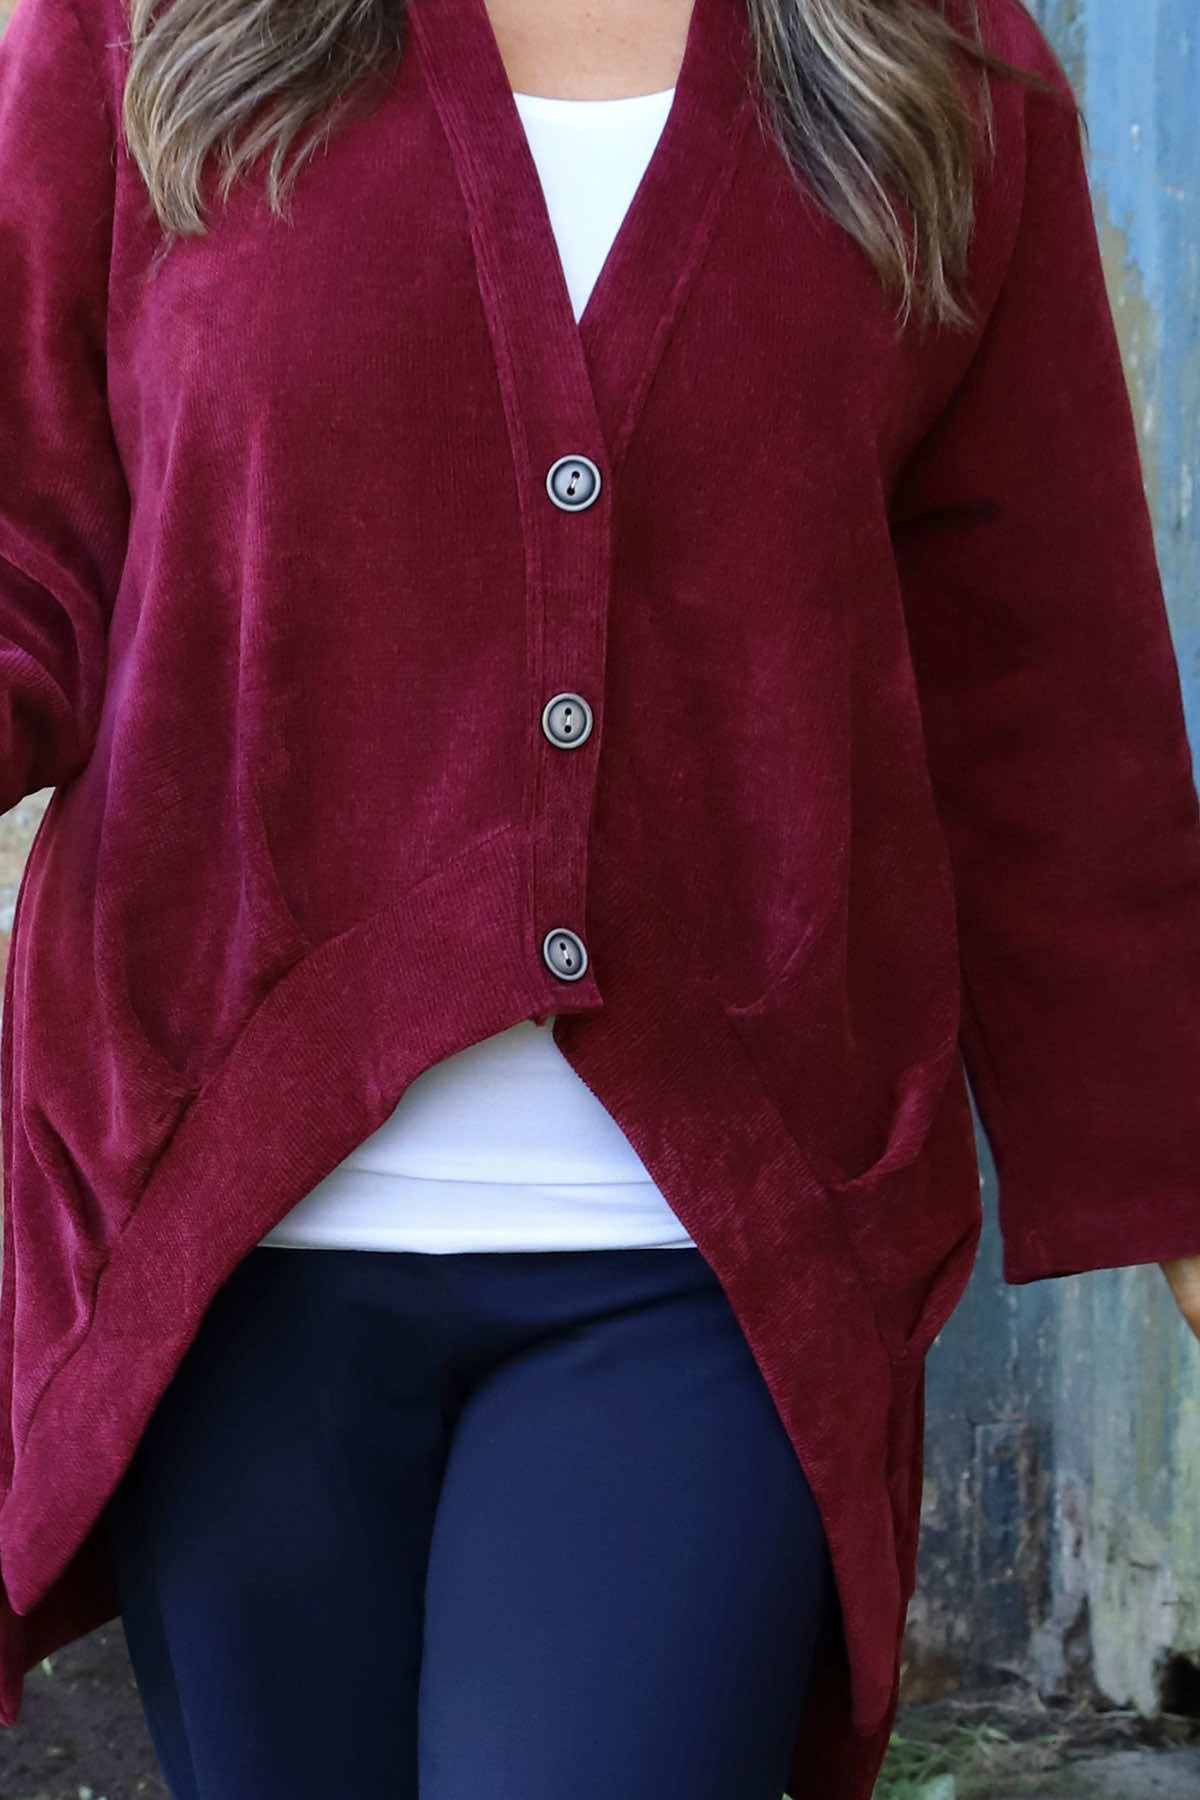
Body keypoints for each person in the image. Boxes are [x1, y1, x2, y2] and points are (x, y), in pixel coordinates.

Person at [0, 0, 1197, 1795]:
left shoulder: (935, 60)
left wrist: (1170, 1164)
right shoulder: (140, 29)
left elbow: (1041, 679)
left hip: (709, 1248)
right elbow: (27, 540)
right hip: (215, 1237)